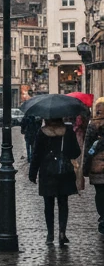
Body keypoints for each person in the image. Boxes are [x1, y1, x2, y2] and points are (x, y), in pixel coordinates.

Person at [28, 117, 81, 245]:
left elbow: (36, 154)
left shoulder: (42, 132)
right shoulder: (68, 131)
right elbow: (76, 152)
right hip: (64, 172)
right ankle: (62, 232)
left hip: (47, 172)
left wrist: (33, 173)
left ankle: (50, 234)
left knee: (48, 204)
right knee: (63, 203)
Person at [82, 98, 104, 235]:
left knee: (100, 193)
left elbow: (88, 148)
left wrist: (85, 167)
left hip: (96, 166)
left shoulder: (92, 125)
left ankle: (102, 218)